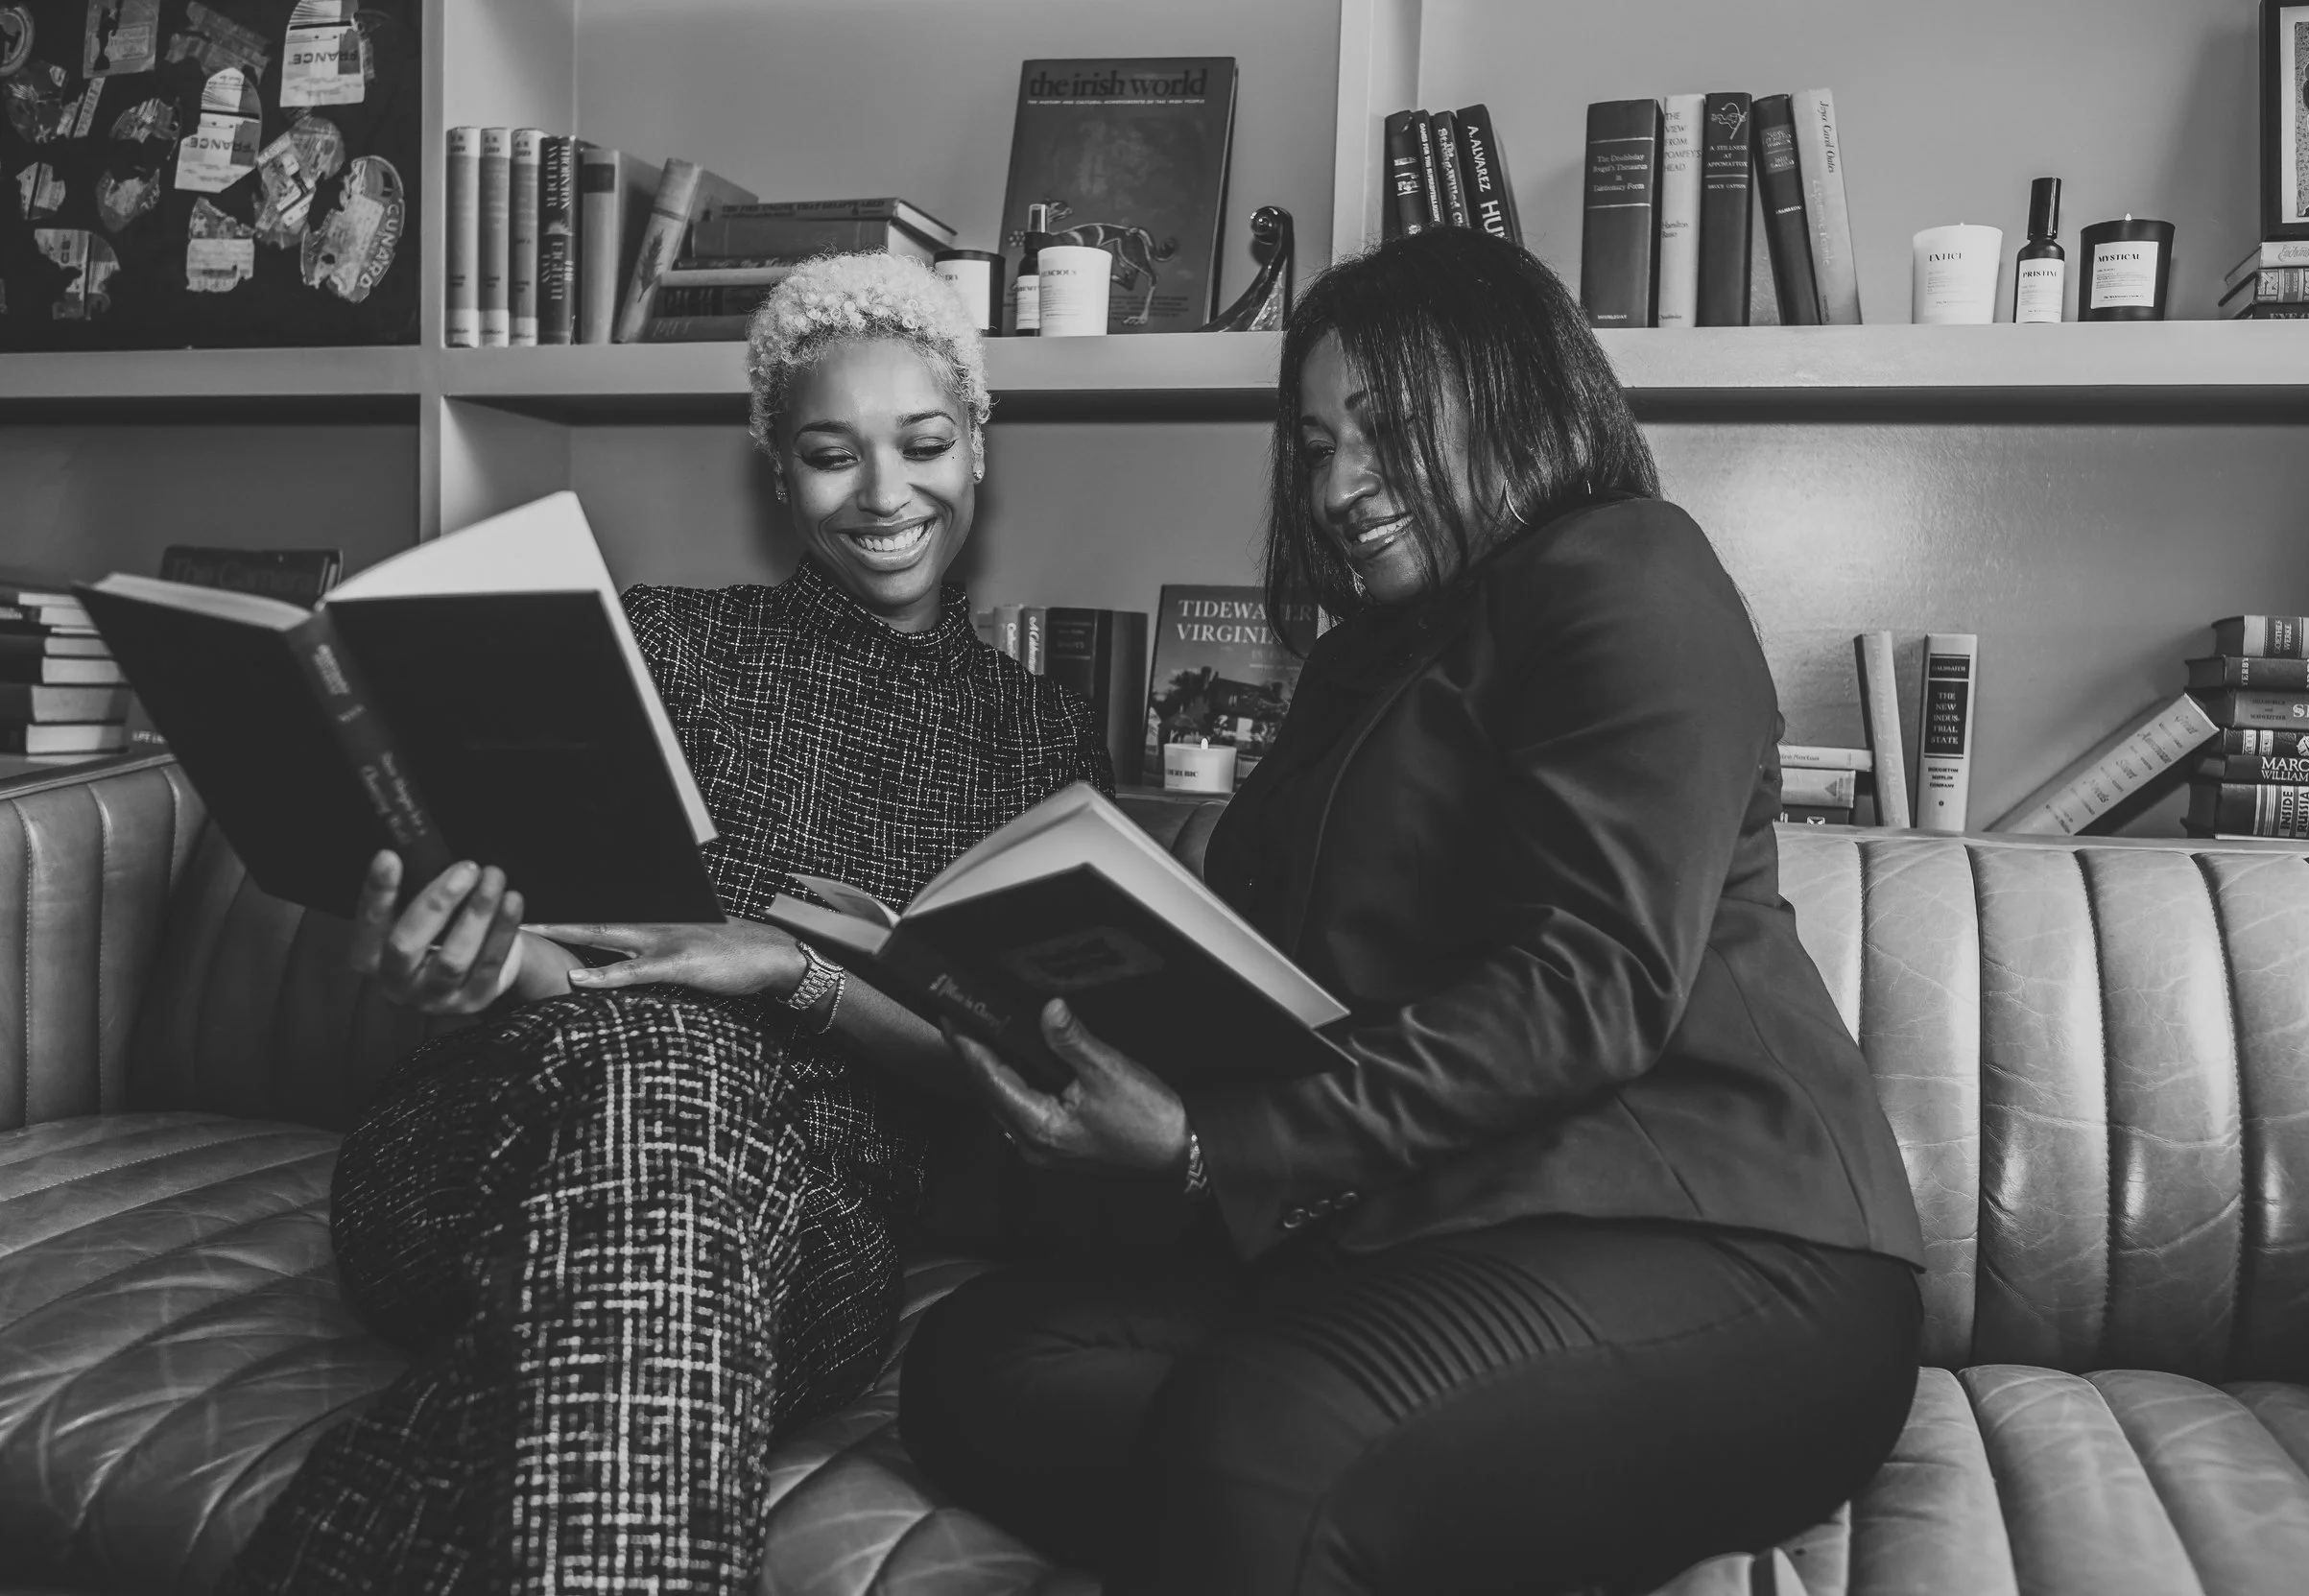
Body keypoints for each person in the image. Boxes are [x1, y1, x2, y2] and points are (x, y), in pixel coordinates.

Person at [896, 227, 1929, 1596]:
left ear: (1511, 393)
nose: (1338, 482)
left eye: (1385, 427)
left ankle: (1327, 1492)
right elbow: (1277, 982)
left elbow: (1590, 987)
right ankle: (1393, 1509)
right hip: (1438, 1231)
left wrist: (1212, 1144)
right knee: (982, 1367)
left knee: (1269, 1430)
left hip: (1728, 1244)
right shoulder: (1355, 666)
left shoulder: (1628, 570)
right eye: (1314, 445)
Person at [222, 252, 1113, 1596]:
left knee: (650, 1206)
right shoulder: (664, 642)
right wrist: (471, 960)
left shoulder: (1035, 734)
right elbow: (558, 950)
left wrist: (794, 972)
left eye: (923, 443)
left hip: (817, 1225)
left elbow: (1008, 1070)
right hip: (488, 1144)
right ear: (776, 472)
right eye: (829, 454)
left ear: (977, 447)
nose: (883, 493)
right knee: (666, 1060)